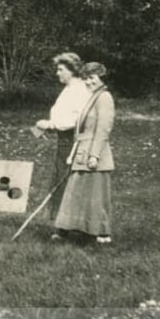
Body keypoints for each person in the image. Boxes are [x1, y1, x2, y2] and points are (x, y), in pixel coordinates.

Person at [53, 62, 115, 244]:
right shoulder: (91, 97)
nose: (88, 82)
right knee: (75, 192)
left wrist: (94, 155)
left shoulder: (104, 97)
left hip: (94, 153)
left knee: (96, 194)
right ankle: (66, 229)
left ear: (101, 79)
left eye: (92, 78)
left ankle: (100, 232)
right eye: (86, 78)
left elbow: (104, 129)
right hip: (81, 151)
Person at [35, 52, 91, 223]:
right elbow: (63, 116)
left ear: (71, 70)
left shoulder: (80, 90)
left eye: (60, 69)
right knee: (61, 180)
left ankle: (70, 224)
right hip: (64, 139)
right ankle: (63, 224)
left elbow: (76, 119)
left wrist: (51, 125)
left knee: (68, 182)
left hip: (73, 141)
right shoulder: (68, 89)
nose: (57, 73)